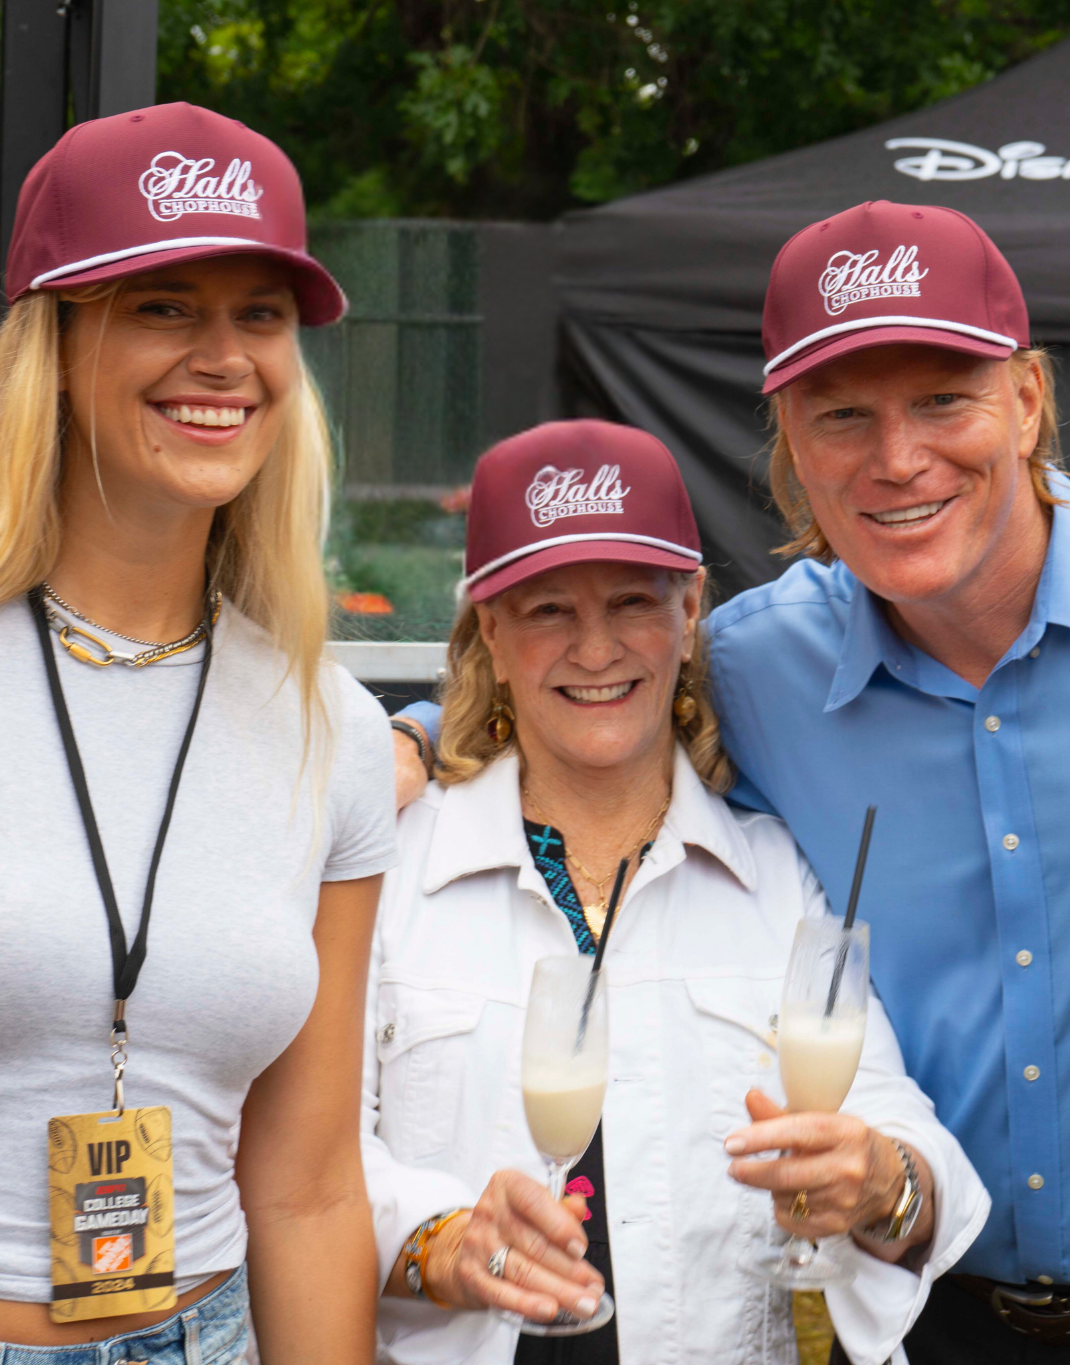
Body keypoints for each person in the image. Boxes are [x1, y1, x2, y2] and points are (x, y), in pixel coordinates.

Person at [397, 201, 1070, 1361]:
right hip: (936, 1321)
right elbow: (589, 679)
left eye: (943, 399)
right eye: (842, 415)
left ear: (1027, 399)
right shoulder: (758, 665)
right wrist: (415, 739)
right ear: (786, 436)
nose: (897, 459)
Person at [0, 103, 394, 1363]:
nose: (223, 357)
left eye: (258, 315)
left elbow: (308, 1191)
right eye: (162, 305)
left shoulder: (334, 731)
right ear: (53, 342)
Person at [361, 419, 986, 1365]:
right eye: (547, 612)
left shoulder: (772, 868)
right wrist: (432, 1239)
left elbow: (895, 1123)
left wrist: (883, 1181)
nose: (597, 648)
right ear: (489, 625)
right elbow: (305, 1160)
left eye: (631, 602)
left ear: (692, 608)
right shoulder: (394, 866)